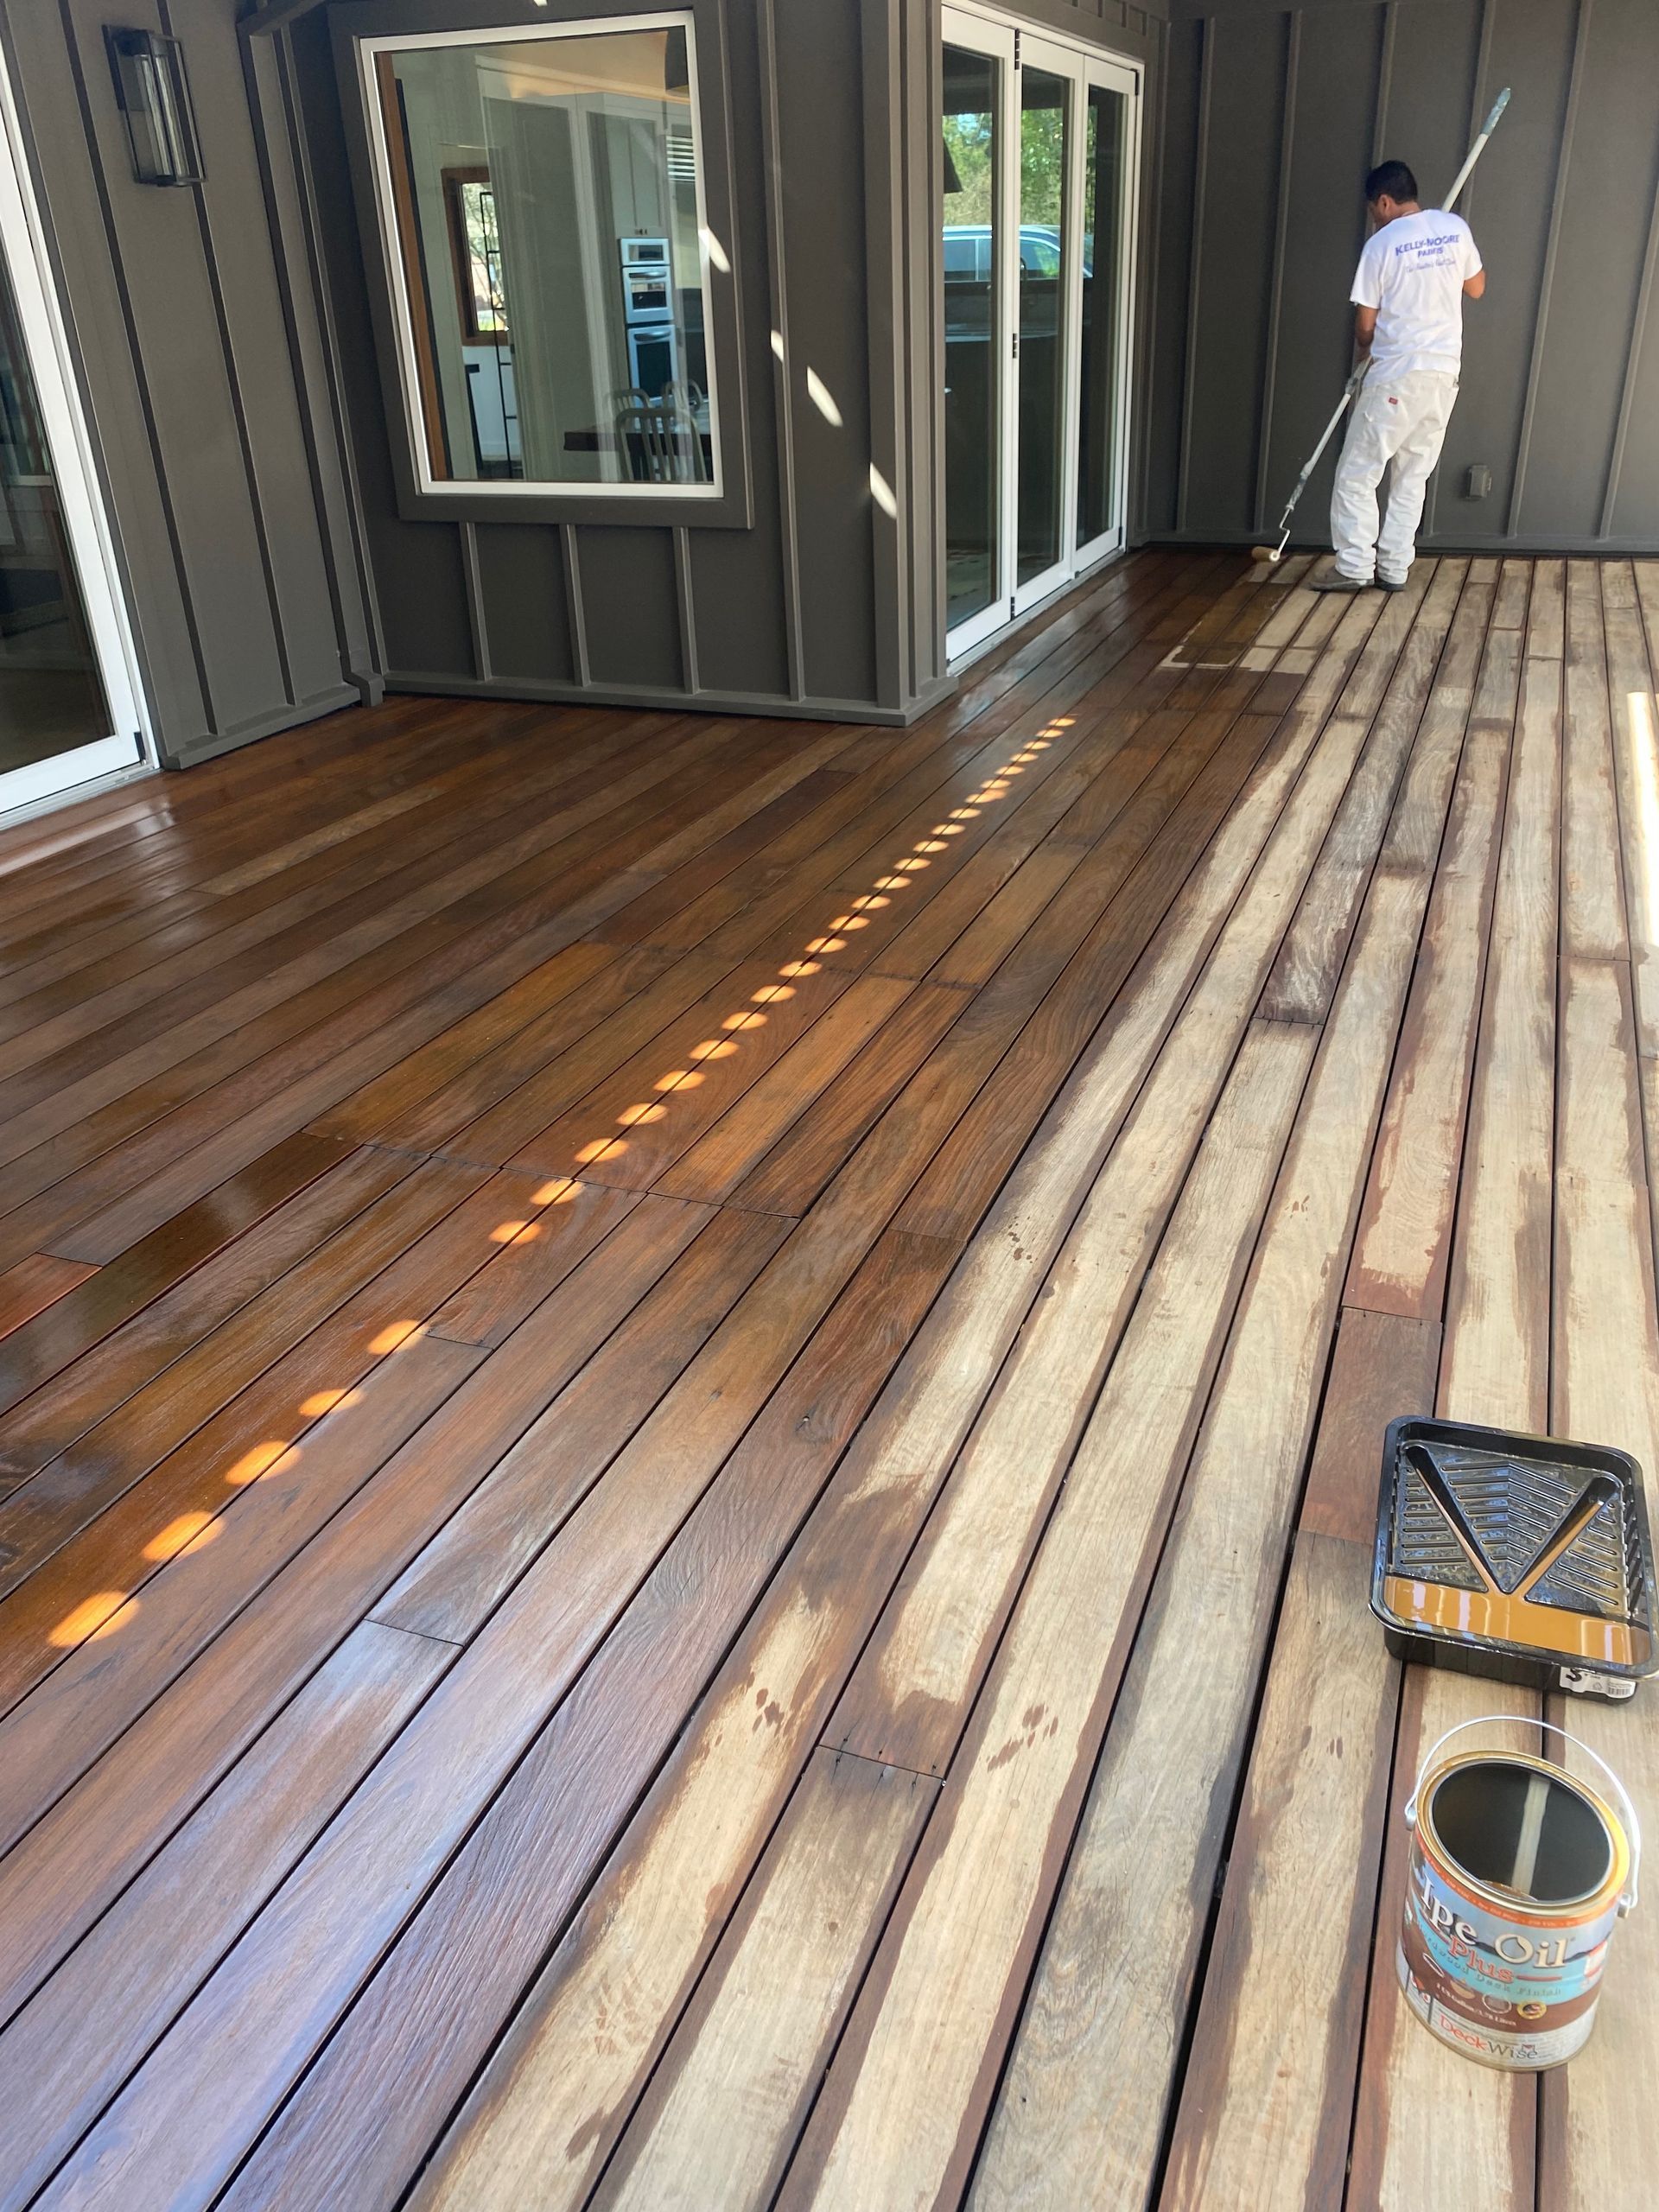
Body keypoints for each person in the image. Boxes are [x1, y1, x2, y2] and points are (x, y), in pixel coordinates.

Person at [1314, 159, 1484, 592]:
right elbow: (1477, 287)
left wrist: (1365, 351)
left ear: (1385, 201)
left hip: (1395, 374)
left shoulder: (1380, 245)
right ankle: (1393, 569)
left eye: (1374, 208)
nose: (1374, 216)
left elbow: (1365, 323)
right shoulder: (1454, 229)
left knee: (1359, 473)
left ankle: (1353, 567)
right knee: (1412, 475)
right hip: (1443, 374)